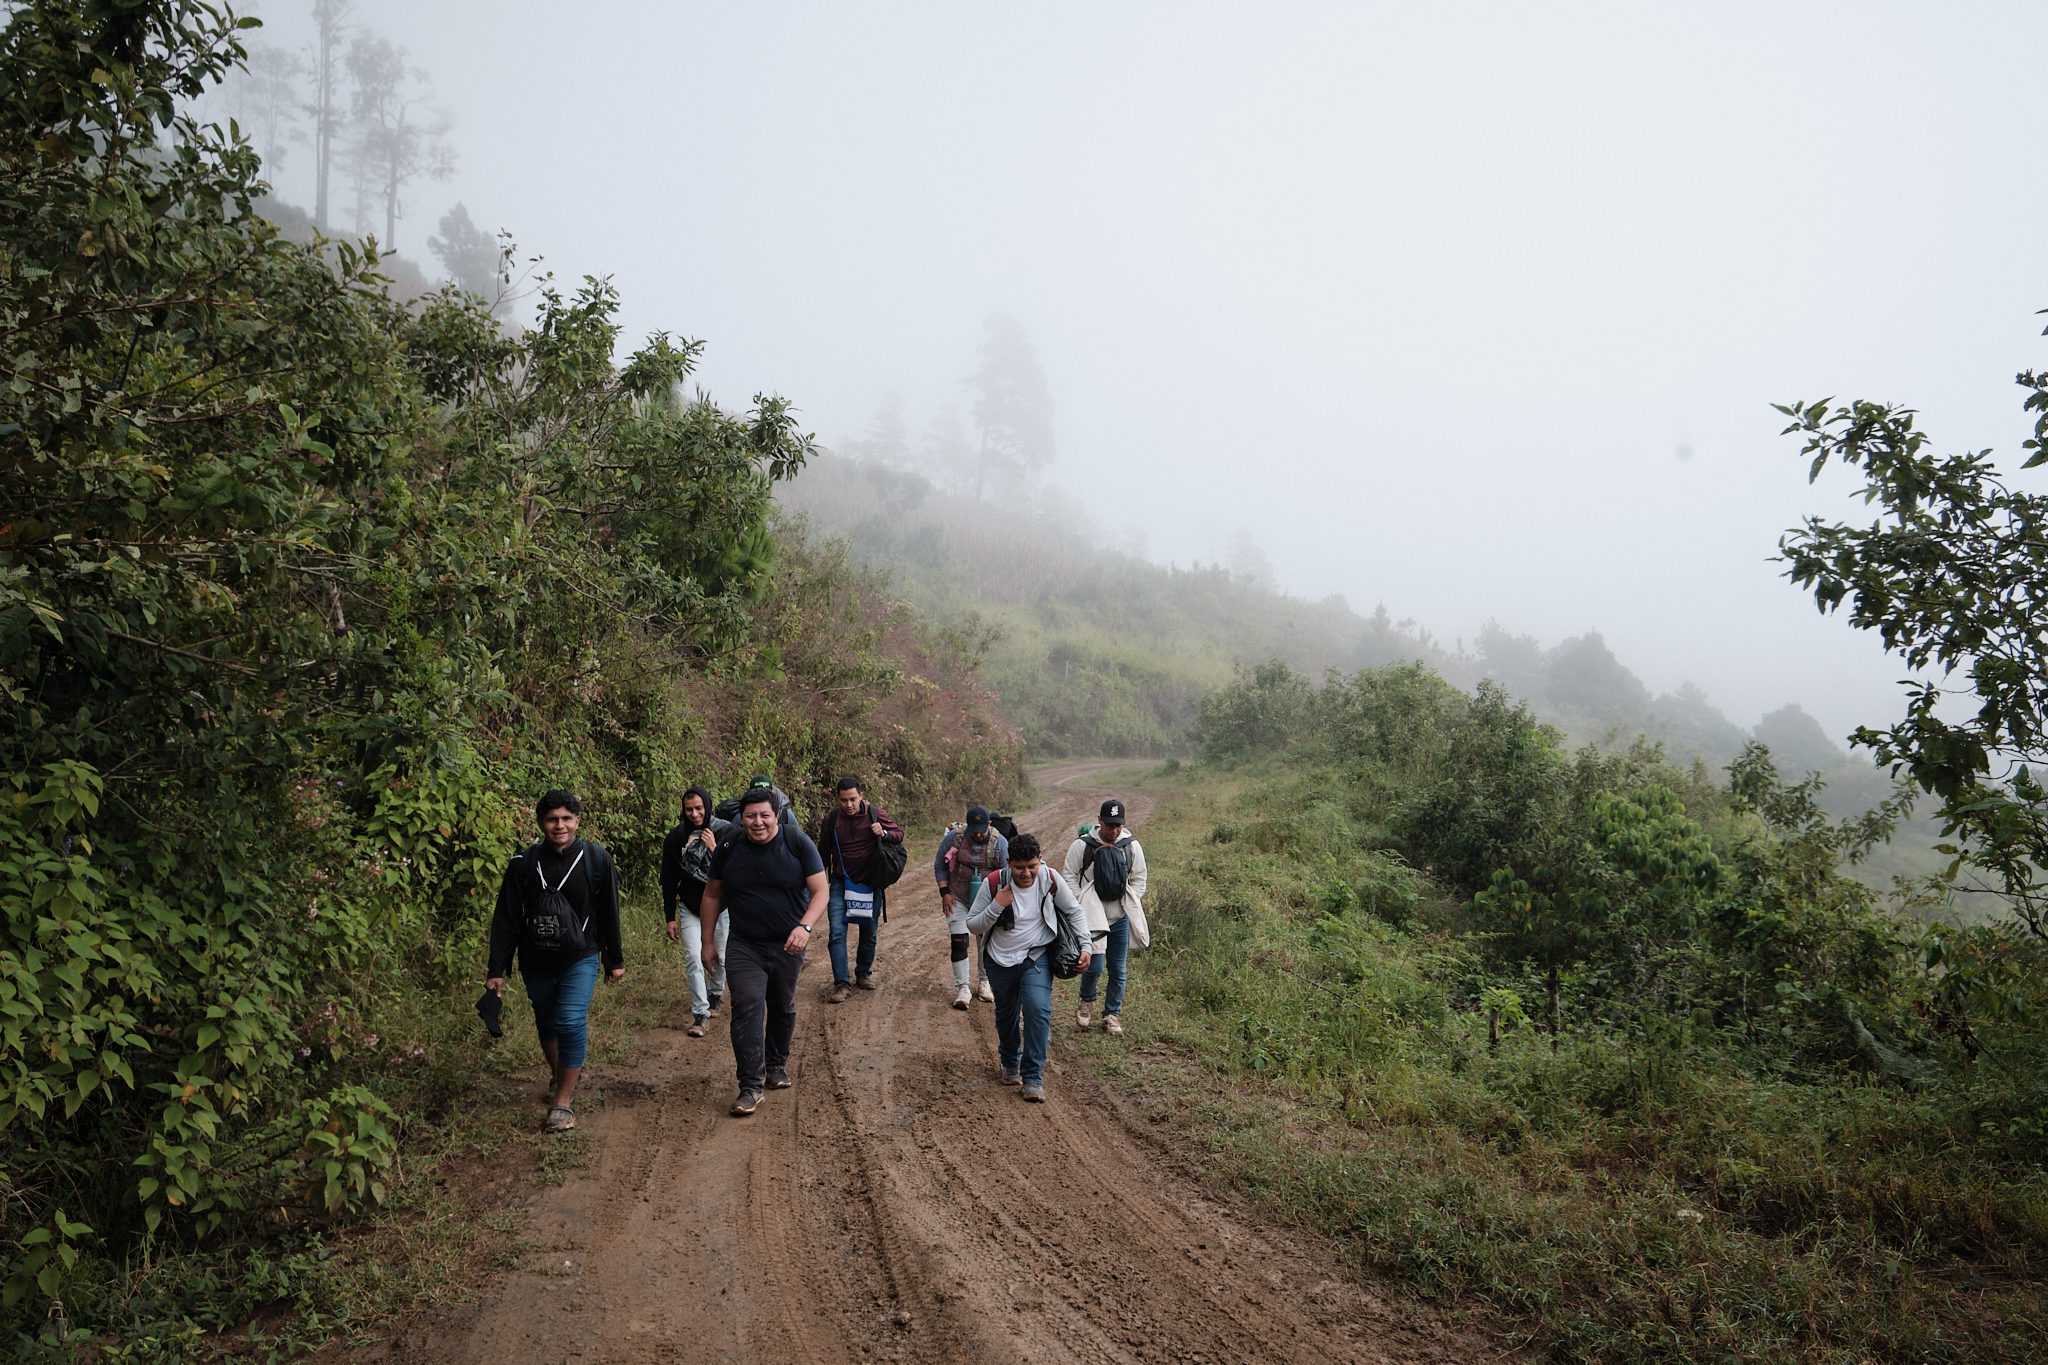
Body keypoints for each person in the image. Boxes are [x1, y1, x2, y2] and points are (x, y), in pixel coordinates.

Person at [484, 790, 625, 1133]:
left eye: (566, 819)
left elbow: (609, 911)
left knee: (570, 1020)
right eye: (551, 819)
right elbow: (506, 917)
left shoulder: (596, 859)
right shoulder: (523, 863)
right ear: (541, 823)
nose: (559, 826)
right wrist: (496, 970)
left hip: (581, 956)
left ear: (577, 821)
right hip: (535, 960)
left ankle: (562, 1101)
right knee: (546, 1021)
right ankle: (558, 1074)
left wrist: (613, 959)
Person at [699, 789, 828, 1117]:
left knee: (782, 1004)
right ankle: (750, 1085)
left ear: (776, 815)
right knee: (746, 1005)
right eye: (750, 816)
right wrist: (707, 943)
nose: (757, 822)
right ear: (741, 818)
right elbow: (713, 895)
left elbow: (820, 891)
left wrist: (805, 927)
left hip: (789, 943)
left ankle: (776, 1065)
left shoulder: (797, 843)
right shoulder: (729, 847)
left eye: (764, 815)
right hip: (745, 943)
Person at [965, 833, 1089, 1102]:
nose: (1026, 873)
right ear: (1009, 863)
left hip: (1036, 956)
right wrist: (998, 904)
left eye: (1032, 866)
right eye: (1019, 867)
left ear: (1040, 861)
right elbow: (973, 924)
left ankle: (1033, 1077)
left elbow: (1074, 911)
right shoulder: (994, 882)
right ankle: (1010, 1061)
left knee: (1038, 1009)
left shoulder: (1050, 879)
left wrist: (1087, 945)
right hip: (999, 959)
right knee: (1006, 1015)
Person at [814, 776, 905, 1003]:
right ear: (838, 800)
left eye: (853, 799)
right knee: (836, 932)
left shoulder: (875, 814)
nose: (849, 805)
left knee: (869, 932)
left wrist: (882, 833)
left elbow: (899, 835)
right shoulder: (832, 819)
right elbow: (822, 853)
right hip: (840, 884)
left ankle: (863, 972)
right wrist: (814, 884)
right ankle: (841, 984)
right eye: (844, 800)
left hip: (870, 884)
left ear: (861, 796)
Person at [1065, 797, 1149, 1037]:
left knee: (1118, 968)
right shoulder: (1082, 846)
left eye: (1118, 825)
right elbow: (1069, 875)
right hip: (1091, 918)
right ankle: (1086, 1001)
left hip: (1119, 916)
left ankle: (1111, 1014)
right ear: (1099, 820)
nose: (1114, 830)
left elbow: (1139, 878)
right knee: (1094, 965)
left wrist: (1128, 901)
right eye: (1109, 824)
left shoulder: (1131, 847)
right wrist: (1082, 901)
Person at [661, 786, 734, 1037]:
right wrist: (669, 917)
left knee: (721, 955)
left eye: (699, 808)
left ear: (708, 806)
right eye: (689, 809)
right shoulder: (676, 837)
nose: (694, 814)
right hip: (690, 905)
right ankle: (700, 1014)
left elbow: (736, 870)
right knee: (693, 956)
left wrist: (715, 850)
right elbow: (668, 879)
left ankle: (715, 994)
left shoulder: (726, 831)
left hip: (721, 906)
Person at [933, 805, 1009, 1009]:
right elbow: (940, 865)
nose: (977, 834)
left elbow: (1007, 874)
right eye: (973, 830)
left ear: (989, 825)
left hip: (987, 901)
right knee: (959, 941)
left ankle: (985, 982)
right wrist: (945, 893)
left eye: (981, 830)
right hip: (958, 897)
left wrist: (999, 904)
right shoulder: (954, 838)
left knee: (985, 942)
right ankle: (963, 988)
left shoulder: (999, 843)